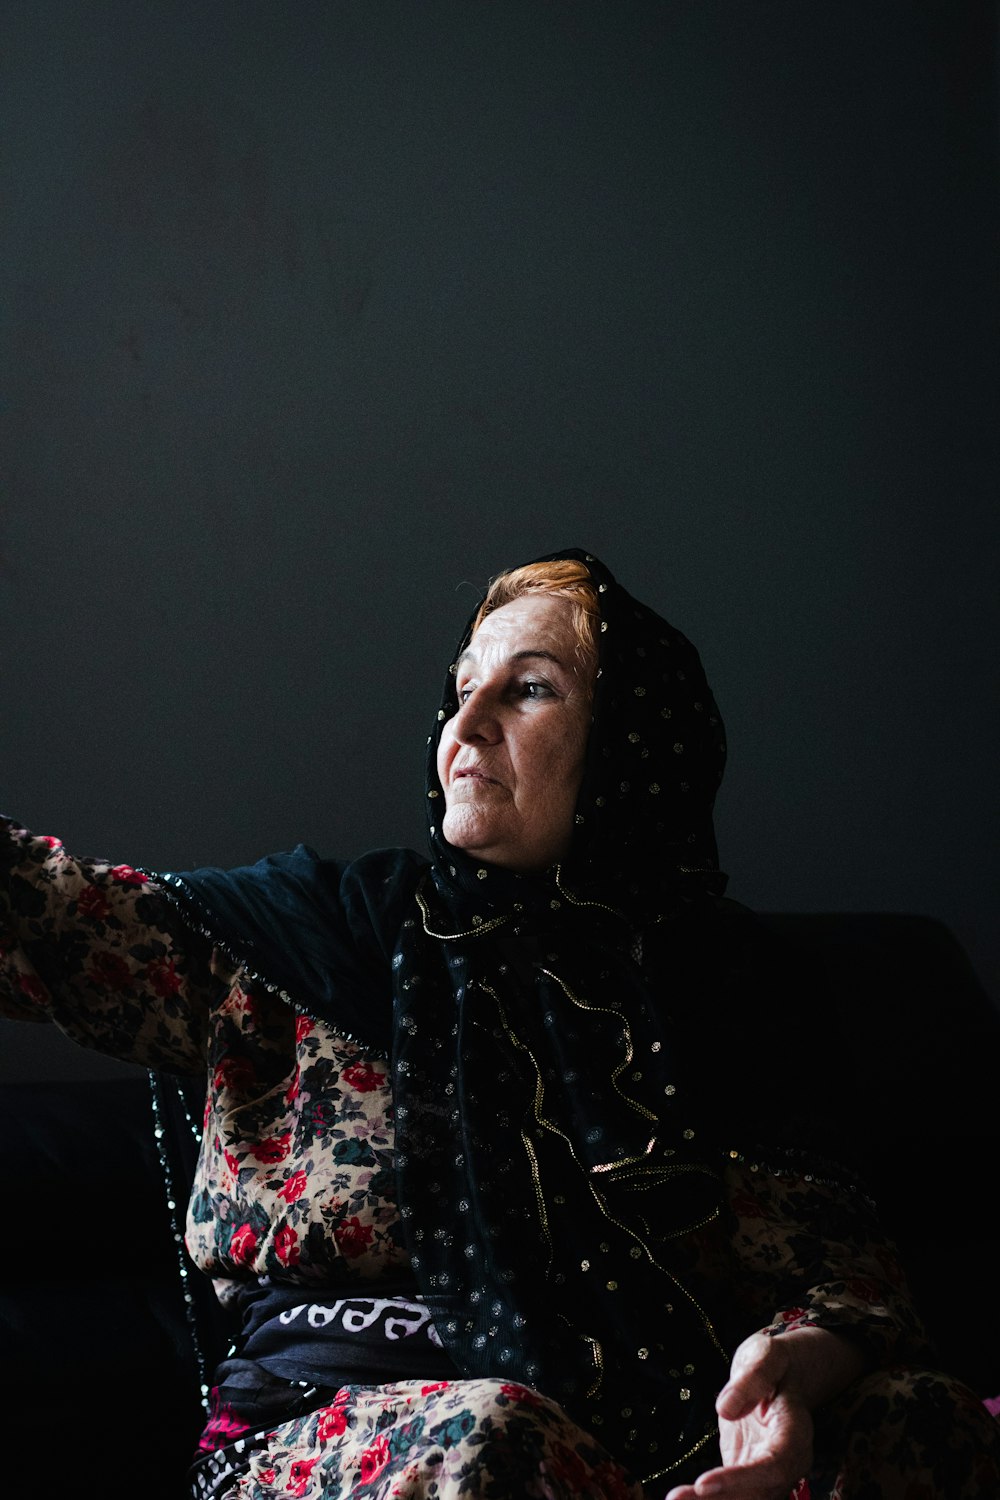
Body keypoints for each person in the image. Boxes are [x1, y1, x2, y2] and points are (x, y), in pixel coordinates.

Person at [2, 546, 998, 1500]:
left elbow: (841, 1280)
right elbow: (39, 912)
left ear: (632, 742)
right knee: (494, 1436)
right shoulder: (308, 935)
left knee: (923, 1418)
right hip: (356, 1437)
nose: (464, 724)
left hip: (665, 1429)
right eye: (460, 687)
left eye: (528, 689)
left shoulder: (726, 990)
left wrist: (783, 1372)